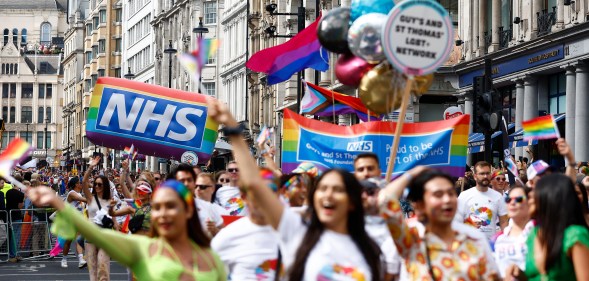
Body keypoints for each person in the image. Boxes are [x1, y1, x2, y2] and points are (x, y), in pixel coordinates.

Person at [207, 97, 383, 280]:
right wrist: (233, 129)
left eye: (337, 190)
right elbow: (255, 185)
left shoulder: (370, 247)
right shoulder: (299, 231)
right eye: (323, 189)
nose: (328, 195)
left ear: (353, 202)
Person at [27, 180, 226, 280]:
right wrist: (56, 202)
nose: (163, 214)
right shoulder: (144, 247)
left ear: (188, 210)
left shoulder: (211, 257)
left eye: (171, 206)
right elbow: (96, 233)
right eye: (158, 208)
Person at [379, 167, 500, 280]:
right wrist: (412, 173)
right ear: (420, 205)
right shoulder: (412, 238)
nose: (447, 199)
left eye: (451, 193)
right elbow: (383, 202)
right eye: (438, 195)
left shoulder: (473, 237)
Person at [505, 174, 589, 281]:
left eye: (533, 196)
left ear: (549, 196)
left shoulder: (575, 235)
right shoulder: (533, 234)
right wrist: (520, 275)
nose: (529, 200)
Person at [211, 168, 283, 280]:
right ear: (244, 197)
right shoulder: (229, 235)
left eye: (271, 190)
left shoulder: (294, 230)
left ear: (278, 194)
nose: (264, 197)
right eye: (257, 191)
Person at [82, 156, 116, 280]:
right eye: (95, 184)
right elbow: (84, 182)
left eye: (99, 185)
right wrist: (91, 167)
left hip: (105, 236)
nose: (96, 186)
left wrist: (116, 227)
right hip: (90, 235)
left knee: (103, 269)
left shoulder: (109, 200)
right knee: (93, 273)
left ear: (105, 186)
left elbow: (113, 218)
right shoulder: (90, 198)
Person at [455, 161, 508, 240]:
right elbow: (456, 221)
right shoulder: (464, 196)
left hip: (491, 244)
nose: (485, 176)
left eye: (488, 173)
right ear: (475, 176)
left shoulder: (498, 197)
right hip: (470, 244)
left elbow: (504, 222)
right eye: (482, 174)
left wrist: (506, 240)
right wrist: (468, 224)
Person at [360, 178, 401, 281]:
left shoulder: (396, 227)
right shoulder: (348, 224)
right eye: (360, 191)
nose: (363, 196)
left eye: (370, 191)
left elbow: (391, 272)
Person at [172, 164, 224, 237]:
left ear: (194, 183)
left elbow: (225, 234)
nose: (186, 184)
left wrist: (214, 230)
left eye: (189, 180)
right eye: (182, 181)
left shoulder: (207, 206)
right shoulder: (166, 206)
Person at [493, 186, 534, 278]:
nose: (512, 203)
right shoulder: (498, 239)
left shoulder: (539, 234)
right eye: (508, 199)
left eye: (519, 199)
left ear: (530, 203)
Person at [61, 177, 88, 268]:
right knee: (68, 241)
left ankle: (81, 260)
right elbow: (84, 200)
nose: (81, 184)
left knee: (78, 239)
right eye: (80, 183)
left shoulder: (79, 193)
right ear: (76, 184)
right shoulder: (72, 193)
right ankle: (64, 258)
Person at [5, 178, 24, 262]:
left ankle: (11, 253)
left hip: (9, 215)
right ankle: (15, 254)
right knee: (16, 236)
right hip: (17, 216)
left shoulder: (8, 192)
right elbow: (20, 207)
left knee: (10, 236)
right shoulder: (20, 194)